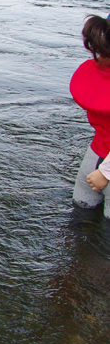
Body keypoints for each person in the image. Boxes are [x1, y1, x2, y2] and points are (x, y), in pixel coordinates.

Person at [70, 15, 110, 216]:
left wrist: (105, 171)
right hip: (97, 157)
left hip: (98, 160)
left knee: (80, 220)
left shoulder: (101, 68)